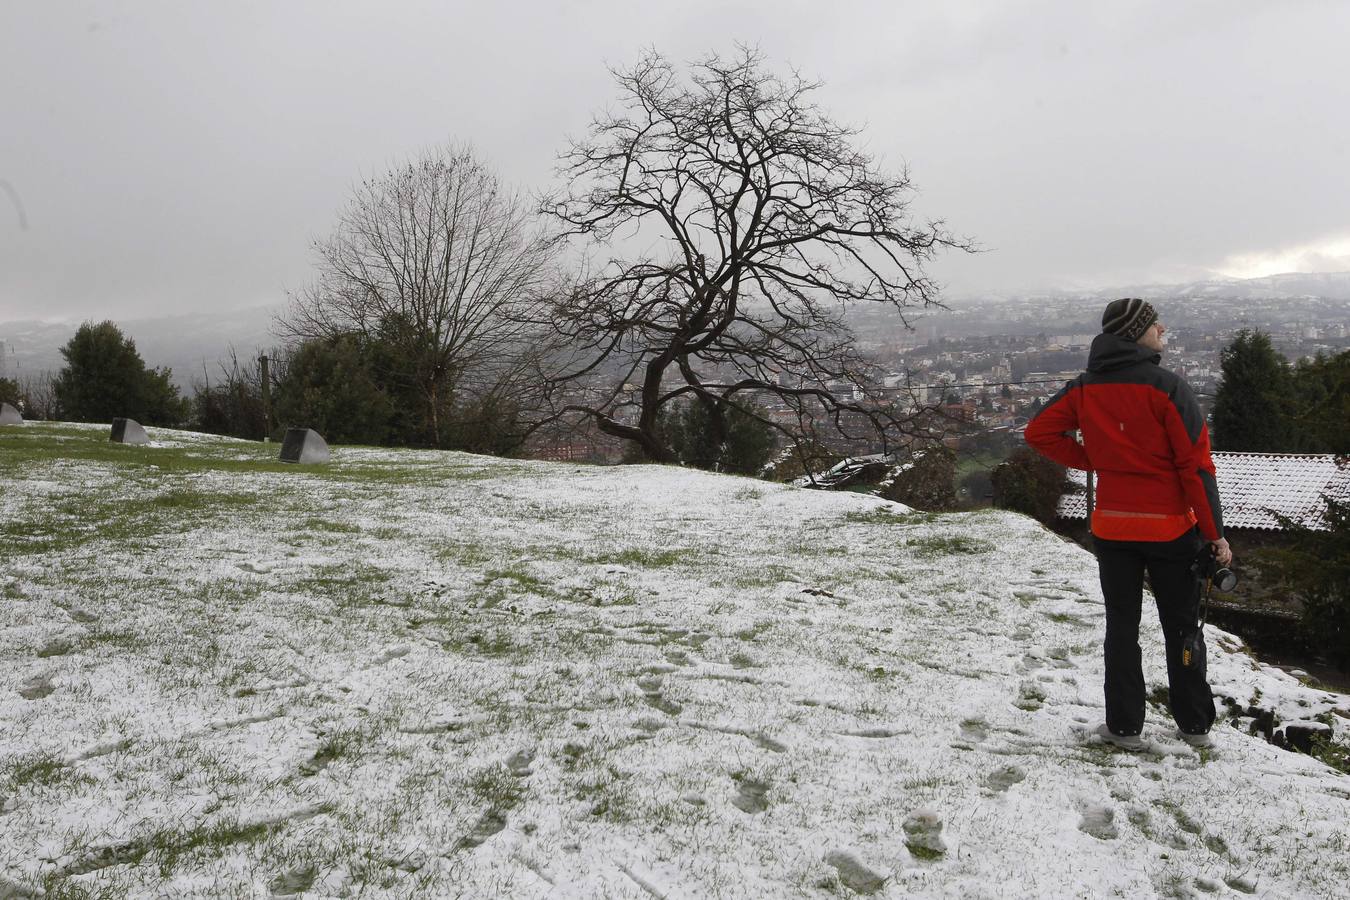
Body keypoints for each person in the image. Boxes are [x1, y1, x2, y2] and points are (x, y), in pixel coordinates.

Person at [1024, 298, 1231, 751]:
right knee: (1181, 625)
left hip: (1113, 530)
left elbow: (1038, 432)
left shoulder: (1083, 388)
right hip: (1171, 530)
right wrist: (1214, 534)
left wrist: (1093, 461)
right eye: (1153, 323)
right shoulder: (1168, 388)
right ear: (1134, 333)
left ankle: (1124, 727)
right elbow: (1196, 468)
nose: (1162, 328)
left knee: (1122, 627)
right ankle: (1194, 726)